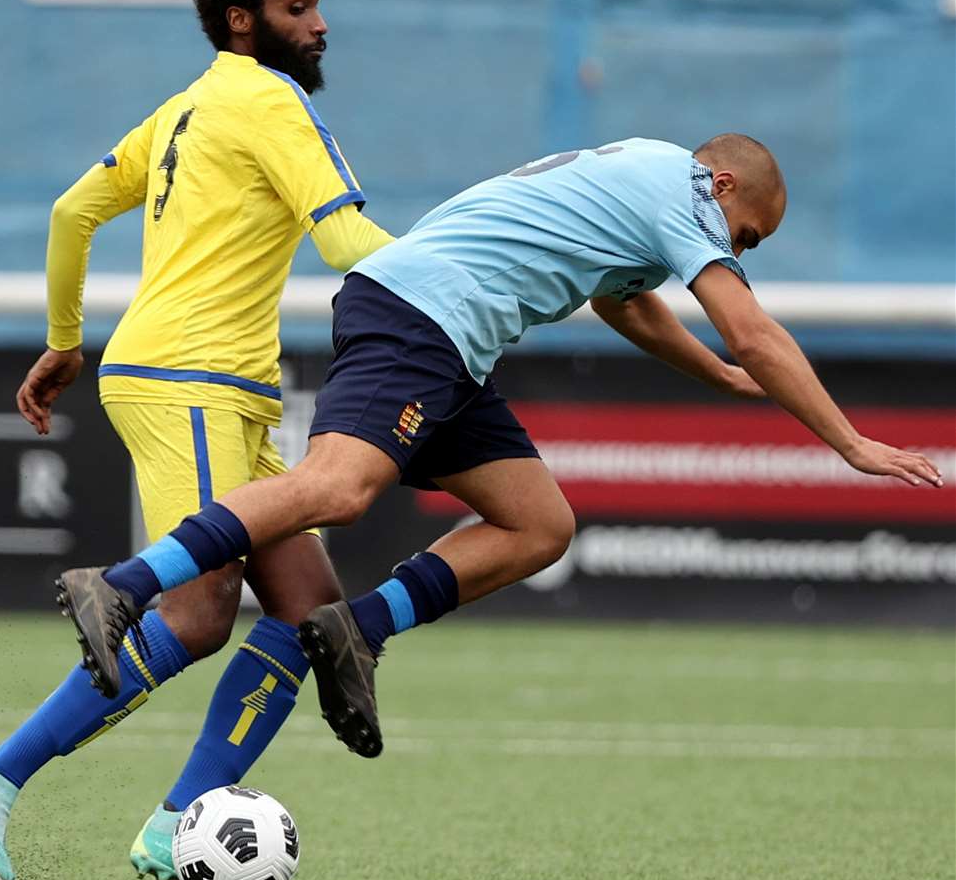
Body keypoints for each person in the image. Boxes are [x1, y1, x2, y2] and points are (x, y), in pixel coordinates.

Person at [56, 134, 944, 761]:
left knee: (537, 523)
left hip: (456, 340)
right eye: (747, 234)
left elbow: (621, 300)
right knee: (338, 489)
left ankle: (355, 630)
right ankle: (125, 586)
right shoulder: (682, 193)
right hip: (419, 315)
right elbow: (753, 332)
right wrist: (851, 442)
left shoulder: (644, 182)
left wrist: (712, 377)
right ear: (720, 185)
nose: (739, 251)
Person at [0, 0, 395, 880]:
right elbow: (348, 240)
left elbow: (70, 212)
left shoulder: (187, 106)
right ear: (241, 19)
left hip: (211, 384)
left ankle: (178, 818)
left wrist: (65, 339)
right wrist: (474, 277)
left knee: (314, 615)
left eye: (316, 2)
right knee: (201, 607)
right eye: (296, 5)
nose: (319, 22)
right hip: (191, 377)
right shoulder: (268, 99)